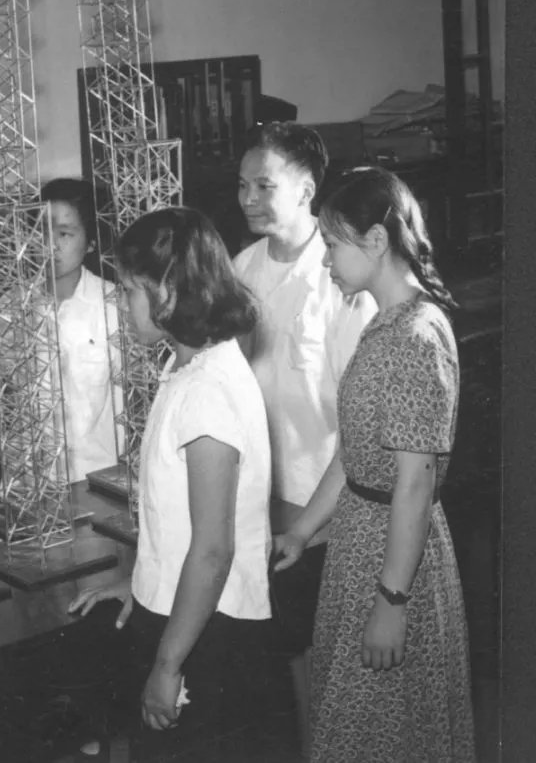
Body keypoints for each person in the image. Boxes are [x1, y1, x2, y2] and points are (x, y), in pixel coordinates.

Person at [273, 167, 475, 763]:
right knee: (357, 728)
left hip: (393, 557)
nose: (326, 259)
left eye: (333, 244)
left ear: (377, 240)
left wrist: (391, 602)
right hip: (360, 544)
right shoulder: (383, 324)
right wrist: (301, 532)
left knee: (382, 731)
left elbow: (414, 483)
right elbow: (354, 452)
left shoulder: (414, 337)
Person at [68, 207, 272, 757]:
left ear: (171, 293)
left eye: (131, 290)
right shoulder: (185, 367)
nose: (122, 302)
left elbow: (212, 551)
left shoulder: (208, 392)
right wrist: (143, 585)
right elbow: (178, 527)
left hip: (208, 632)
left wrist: (166, 666)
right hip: (186, 614)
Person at [234, 121, 377, 751]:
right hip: (256, 500)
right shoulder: (240, 269)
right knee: (274, 663)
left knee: (326, 670)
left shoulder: (341, 275)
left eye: (264, 185)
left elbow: (359, 424)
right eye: (242, 185)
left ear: (307, 189)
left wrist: (309, 519)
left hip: (326, 506)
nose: (249, 198)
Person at [39, 178, 121, 482]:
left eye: (64, 234)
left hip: (95, 480)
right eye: (42, 230)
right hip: (31, 483)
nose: (50, 245)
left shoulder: (114, 306)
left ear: (90, 242)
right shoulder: (10, 306)